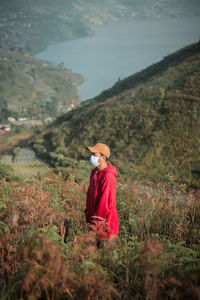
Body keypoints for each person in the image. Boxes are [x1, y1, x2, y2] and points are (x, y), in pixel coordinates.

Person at [85, 143, 119, 242]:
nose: (91, 157)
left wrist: (96, 226)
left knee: (104, 255)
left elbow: (105, 205)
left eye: (94, 155)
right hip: (93, 223)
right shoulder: (94, 173)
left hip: (105, 227)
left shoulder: (108, 177)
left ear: (103, 158)